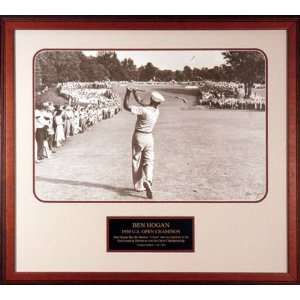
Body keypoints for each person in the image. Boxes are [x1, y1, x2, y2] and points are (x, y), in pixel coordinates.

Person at [123, 88, 165, 199]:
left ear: (151, 99)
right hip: (149, 137)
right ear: (159, 103)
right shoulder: (156, 111)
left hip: (139, 135)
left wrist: (127, 93)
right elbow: (141, 102)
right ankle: (149, 181)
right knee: (149, 161)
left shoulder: (143, 110)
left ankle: (139, 186)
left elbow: (126, 106)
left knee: (136, 160)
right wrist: (135, 93)